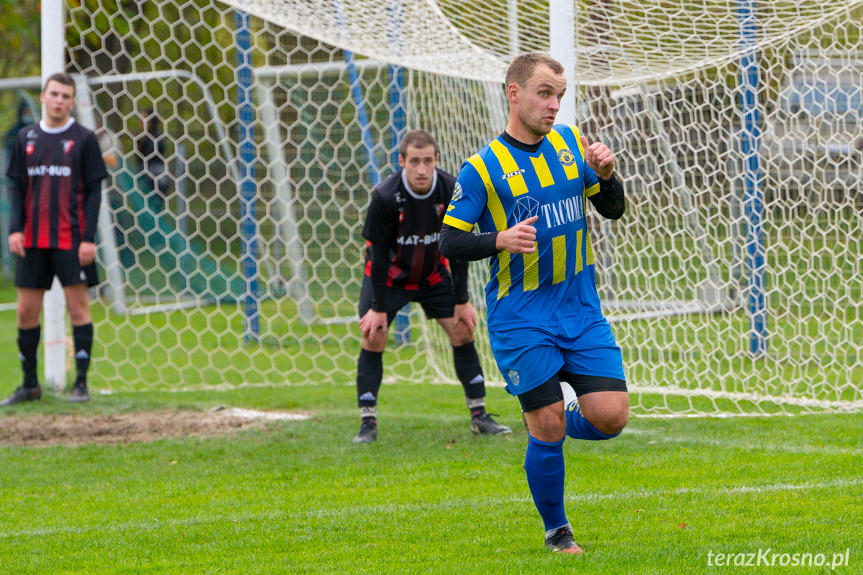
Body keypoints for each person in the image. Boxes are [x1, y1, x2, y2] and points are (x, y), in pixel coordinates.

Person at [439, 53, 629, 554]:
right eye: (545, 93)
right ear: (515, 93)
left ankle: (556, 414)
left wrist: (607, 177)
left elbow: (612, 210)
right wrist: (497, 239)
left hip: (581, 310)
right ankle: (557, 530)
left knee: (611, 417)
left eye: (560, 96)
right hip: (521, 317)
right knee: (544, 425)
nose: (554, 105)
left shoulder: (570, 144)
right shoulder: (482, 168)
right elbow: (450, 242)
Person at [352, 129, 511, 443]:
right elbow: (379, 254)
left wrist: (462, 299)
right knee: (374, 334)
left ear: (437, 160)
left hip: (433, 275)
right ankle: (367, 424)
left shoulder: (451, 189)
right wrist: (378, 309)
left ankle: (479, 415)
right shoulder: (385, 196)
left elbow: (461, 245)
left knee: (463, 328)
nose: (421, 169)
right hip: (389, 277)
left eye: (427, 161)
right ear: (401, 162)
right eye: (414, 161)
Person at [1, 72, 108, 406]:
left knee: (78, 309)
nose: (59, 100)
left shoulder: (84, 139)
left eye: (65, 96)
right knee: (25, 312)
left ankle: (80, 383)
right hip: (32, 241)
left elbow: (94, 192)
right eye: (54, 94)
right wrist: (15, 229)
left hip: (72, 240)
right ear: (44, 97)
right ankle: (30, 384)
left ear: (72, 102)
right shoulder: (25, 138)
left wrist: (88, 238)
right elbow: (16, 186)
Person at [135, 108, 169, 208]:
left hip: (156, 180)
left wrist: (140, 143)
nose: (140, 121)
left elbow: (148, 158)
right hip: (148, 179)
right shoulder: (145, 138)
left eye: (144, 118)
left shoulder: (155, 138)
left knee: (152, 209)